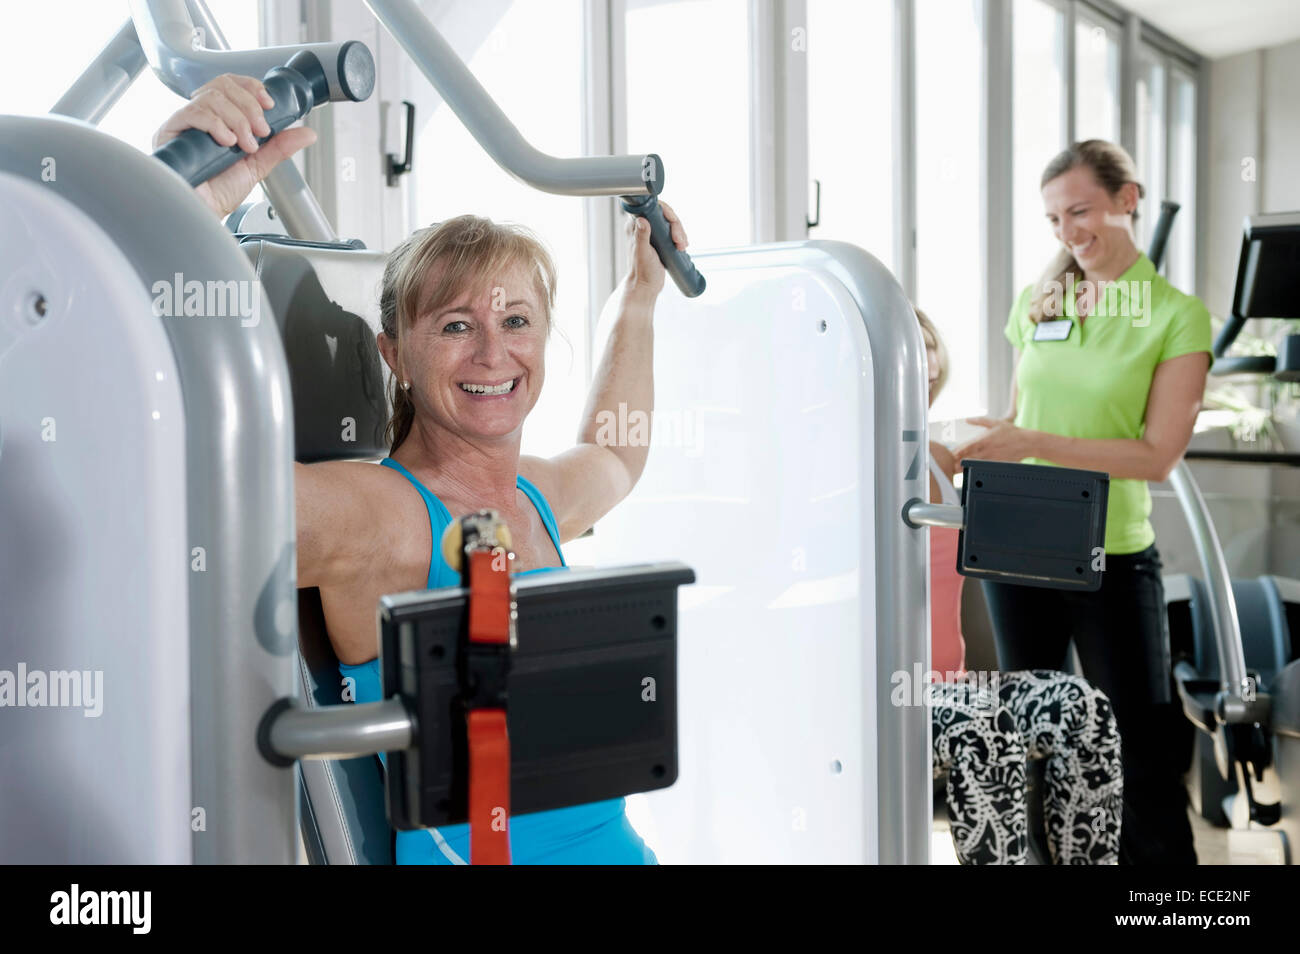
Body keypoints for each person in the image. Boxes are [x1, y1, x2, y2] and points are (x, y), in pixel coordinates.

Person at [156, 73, 689, 864]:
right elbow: (172, 485)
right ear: (395, 355)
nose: (492, 353)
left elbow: (615, 453)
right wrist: (169, 211)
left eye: (516, 321)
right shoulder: (378, 516)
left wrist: (639, 298)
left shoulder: (536, 497)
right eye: (454, 326)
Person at [954, 140, 1210, 864]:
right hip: (1015, 546)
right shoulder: (1040, 302)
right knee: (1029, 733)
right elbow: (1016, 417)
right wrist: (965, 442)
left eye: (1081, 211)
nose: (1069, 233)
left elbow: (1158, 455)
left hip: (1111, 556)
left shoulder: (1176, 316)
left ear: (1128, 199)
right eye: (1054, 219)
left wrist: (1032, 438)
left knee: (1136, 744)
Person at [918, 306, 1123, 865]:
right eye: (909, 363)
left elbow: (995, 441)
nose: (924, 374)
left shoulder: (939, 455)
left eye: (930, 363)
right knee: (986, 725)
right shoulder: (837, 461)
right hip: (882, 695)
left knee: (1083, 705)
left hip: (951, 686)